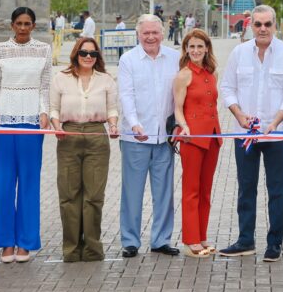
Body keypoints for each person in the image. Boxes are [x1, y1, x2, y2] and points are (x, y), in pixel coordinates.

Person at [219, 5, 283, 262]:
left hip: (277, 135)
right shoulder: (239, 53)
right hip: (245, 135)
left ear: (275, 25)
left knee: (277, 190)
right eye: (258, 24)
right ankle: (245, 240)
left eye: (267, 24)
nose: (263, 29)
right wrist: (239, 115)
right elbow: (227, 88)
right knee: (246, 188)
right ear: (250, 26)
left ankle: (274, 243)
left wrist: (276, 121)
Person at [0, 7, 52, 263]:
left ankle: (25, 242)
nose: (23, 27)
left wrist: (45, 111)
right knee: (2, 182)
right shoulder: (0, 50)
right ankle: (5, 243)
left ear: (33, 26)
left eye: (27, 23)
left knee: (28, 182)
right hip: (3, 122)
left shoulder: (44, 50)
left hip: (31, 122)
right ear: (12, 25)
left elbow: (46, 85)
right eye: (19, 23)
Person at [117, 14, 180, 258]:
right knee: (132, 191)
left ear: (162, 33)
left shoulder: (175, 58)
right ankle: (130, 240)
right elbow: (127, 95)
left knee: (164, 191)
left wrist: (178, 124)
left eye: (155, 32)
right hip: (135, 138)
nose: (151, 37)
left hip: (164, 138)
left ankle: (161, 239)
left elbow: (178, 96)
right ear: (138, 35)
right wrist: (134, 124)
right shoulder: (128, 60)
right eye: (146, 33)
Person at [50, 37, 119, 262]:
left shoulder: (106, 80)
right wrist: (57, 126)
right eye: (84, 53)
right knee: (69, 195)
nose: (88, 57)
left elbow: (112, 108)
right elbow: (53, 108)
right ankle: (71, 249)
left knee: (94, 196)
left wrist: (114, 125)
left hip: (96, 135)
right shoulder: (61, 78)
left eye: (93, 54)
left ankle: (92, 248)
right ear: (75, 54)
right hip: (68, 135)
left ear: (98, 57)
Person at [173, 29, 222, 257]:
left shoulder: (211, 73)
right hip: (192, 138)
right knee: (191, 190)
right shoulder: (184, 75)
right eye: (191, 47)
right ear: (186, 49)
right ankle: (191, 239)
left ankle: (202, 236)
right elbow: (177, 108)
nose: (195, 51)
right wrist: (184, 126)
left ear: (207, 49)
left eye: (199, 47)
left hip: (212, 137)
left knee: (205, 191)